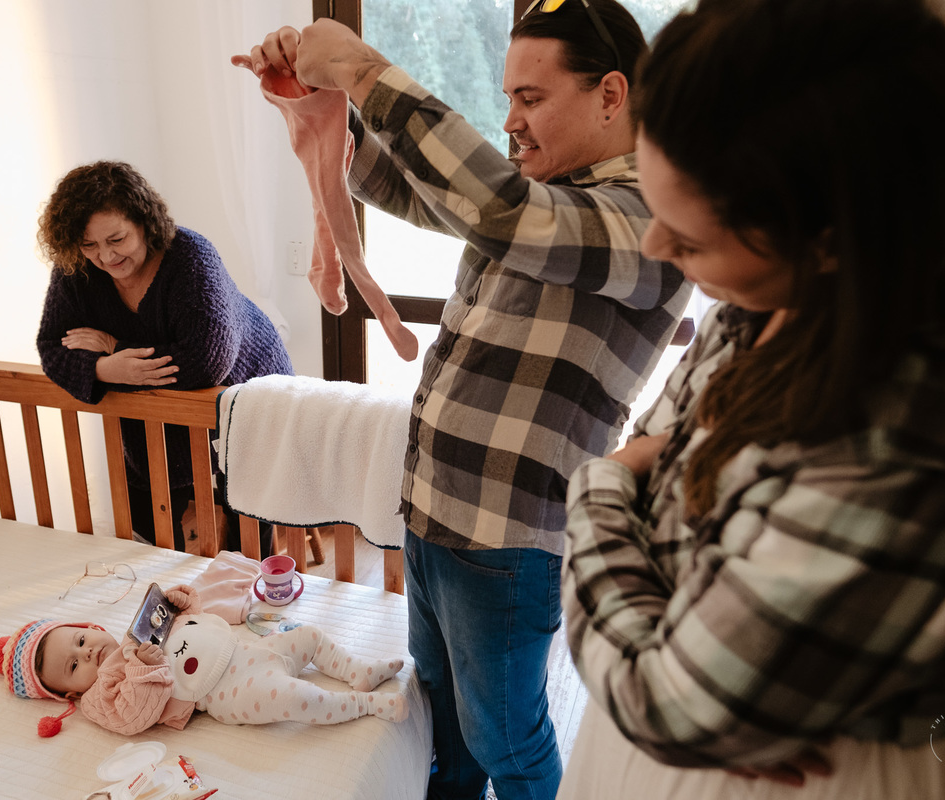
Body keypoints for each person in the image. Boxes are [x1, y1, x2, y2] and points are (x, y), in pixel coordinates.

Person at [558, 0, 945, 797]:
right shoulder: (774, 297)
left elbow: (667, 704)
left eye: (691, 238)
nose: (655, 248)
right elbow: (663, 473)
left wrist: (595, 487)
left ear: (834, 237)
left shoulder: (913, 432)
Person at [241, 2, 690, 796]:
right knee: (443, 716)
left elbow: (503, 214)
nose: (511, 122)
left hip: (508, 542)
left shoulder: (644, 221)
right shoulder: (540, 192)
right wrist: (326, 117)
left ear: (612, 95)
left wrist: (361, 71)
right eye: (508, 97)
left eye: (532, 98)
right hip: (434, 516)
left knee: (506, 739)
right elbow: (425, 192)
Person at [36, 160, 292, 554]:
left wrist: (115, 349)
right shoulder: (76, 269)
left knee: (242, 524)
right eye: (90, 245)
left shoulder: (191, 256)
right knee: (154, 517)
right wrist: (106, 368)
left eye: (116, 239)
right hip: (164, 409)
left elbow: (207, 360)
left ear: (144, 221)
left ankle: (244, 594)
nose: (105, 256)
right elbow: (52, 347)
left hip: (244, 387)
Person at [0, 561, 408, 737]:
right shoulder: (100, 695)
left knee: (310, 636)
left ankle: (356, 670)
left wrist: (181, 604)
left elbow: (197, 626)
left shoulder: (135, 633)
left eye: (80, 641)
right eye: (74, 665)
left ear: (89, 627)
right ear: (69, 695)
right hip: (226, 692)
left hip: (248, 651)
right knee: (296, 698)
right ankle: (364, 704)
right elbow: (132, 716)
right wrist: (143, 670)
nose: (88, 654)